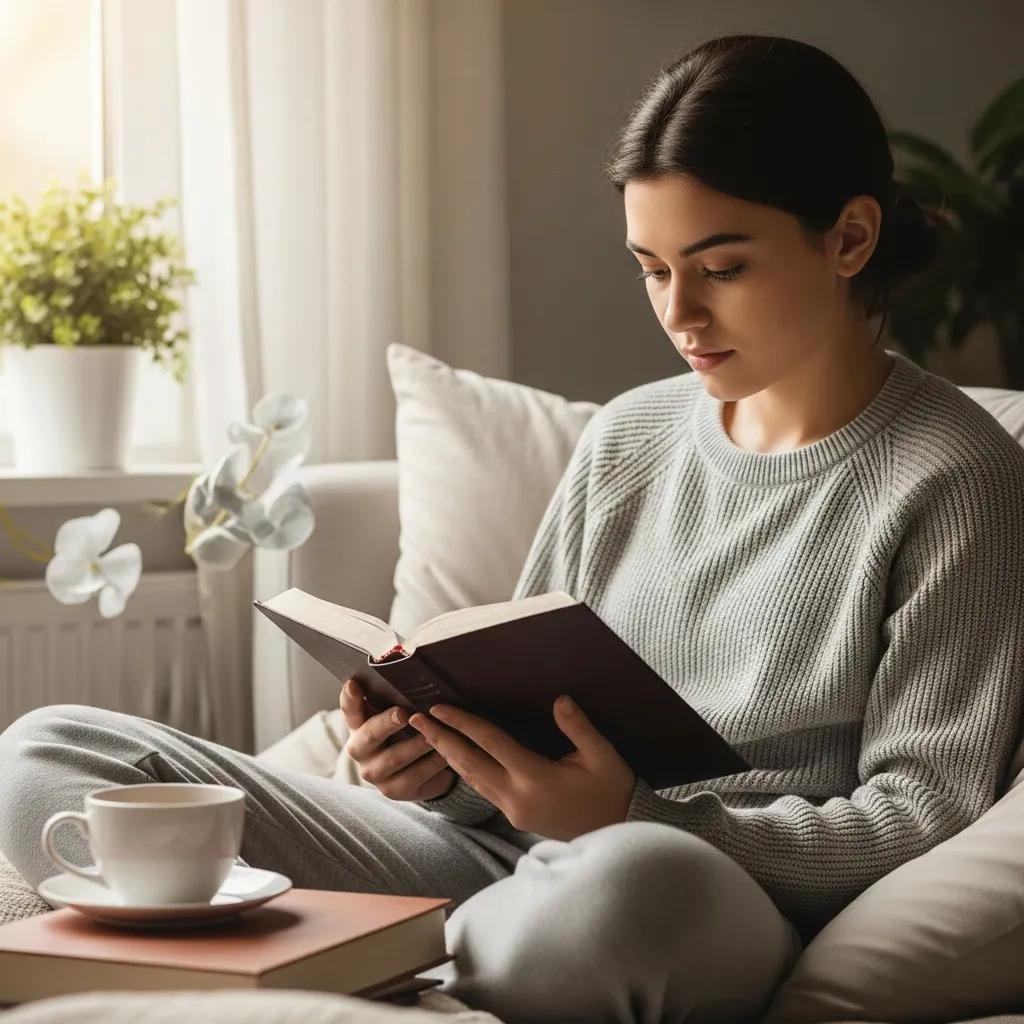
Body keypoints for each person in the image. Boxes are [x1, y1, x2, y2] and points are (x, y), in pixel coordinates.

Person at [1, 32, 1023, 1024]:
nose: (679, 314)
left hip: (705, 893)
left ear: (848, 237)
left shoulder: (956, 476)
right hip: (502, 864)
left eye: (722, 267)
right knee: (54, 752)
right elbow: (523, 723)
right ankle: (395, 961)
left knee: (628, 889)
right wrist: (441, 771)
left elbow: (920, 817)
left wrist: (629, 817)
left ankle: (356, 957)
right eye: (651, 267)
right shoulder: (626, 437)